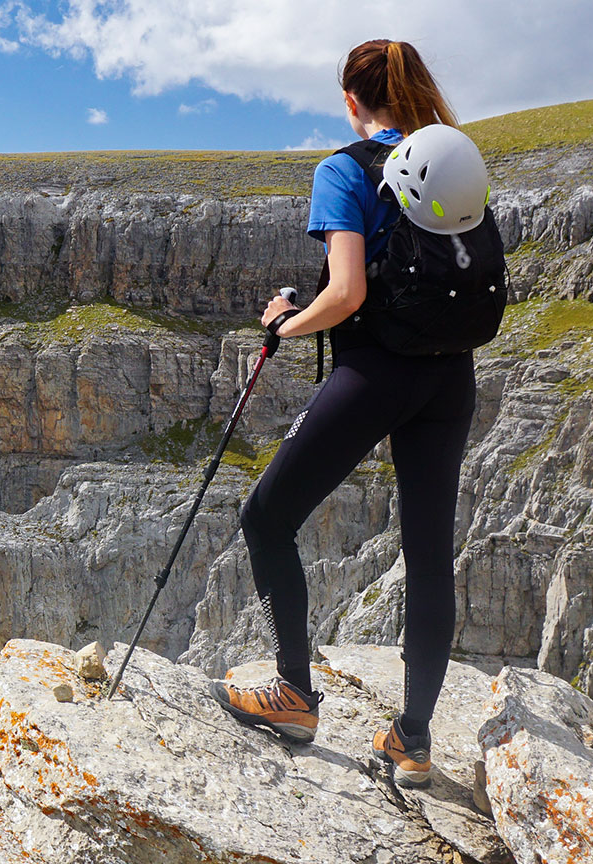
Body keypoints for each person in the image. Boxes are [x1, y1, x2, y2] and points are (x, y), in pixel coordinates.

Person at [207, 38, 477, 793]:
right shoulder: (450, 156)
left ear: (353, 101)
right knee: (429, 556)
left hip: (377, 373)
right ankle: (413, 741)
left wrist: (284, 323)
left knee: (266, 517)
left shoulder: (344, 169)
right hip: (449, 376)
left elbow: (349, 292)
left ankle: (294, 692)